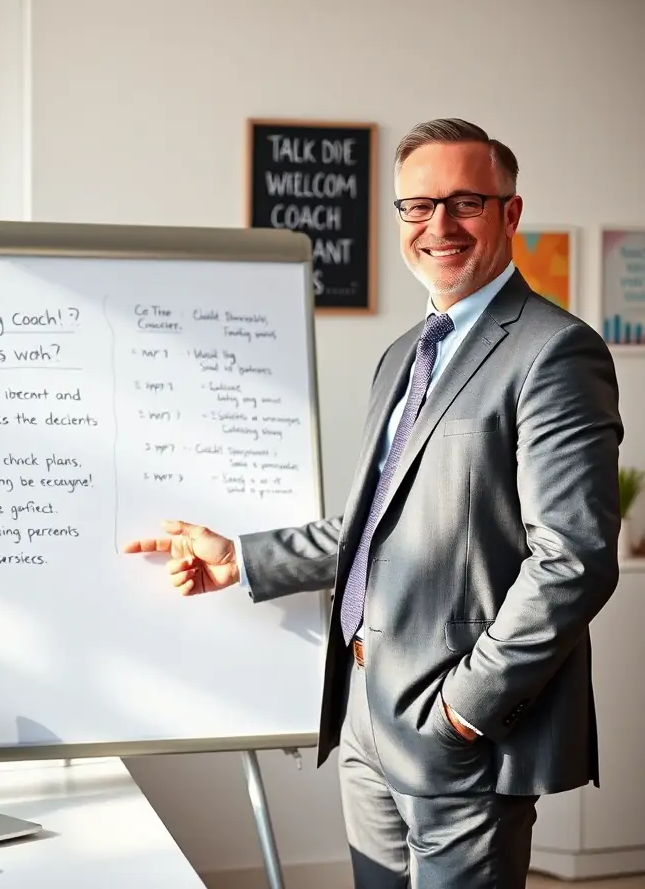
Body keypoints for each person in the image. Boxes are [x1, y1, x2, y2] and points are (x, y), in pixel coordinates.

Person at [125, 118, 623, 888]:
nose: (439, 226)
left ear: (510, 213)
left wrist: (464, 708)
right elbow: (375, 524)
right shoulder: (403, 356)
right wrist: (243, 558)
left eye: (465, 202)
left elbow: (575, 559)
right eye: (418, 207)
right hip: (363, 708)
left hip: (454, 722)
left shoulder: (554, 351)